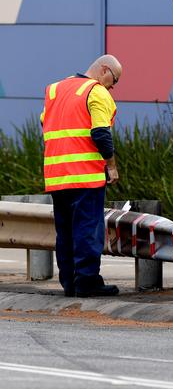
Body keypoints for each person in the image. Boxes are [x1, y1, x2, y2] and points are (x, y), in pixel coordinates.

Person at [40, 55, 122, 297]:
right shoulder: (96, 92)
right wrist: (112, 165)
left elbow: (46, 124)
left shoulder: (54, 90)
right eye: (114, 80)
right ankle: (87, 282)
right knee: (88, 229)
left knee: (64, 231)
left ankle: (69, 282)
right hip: (85, 176)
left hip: (57, 175)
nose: (113, 87)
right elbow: (100, 133)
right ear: (104, 70)